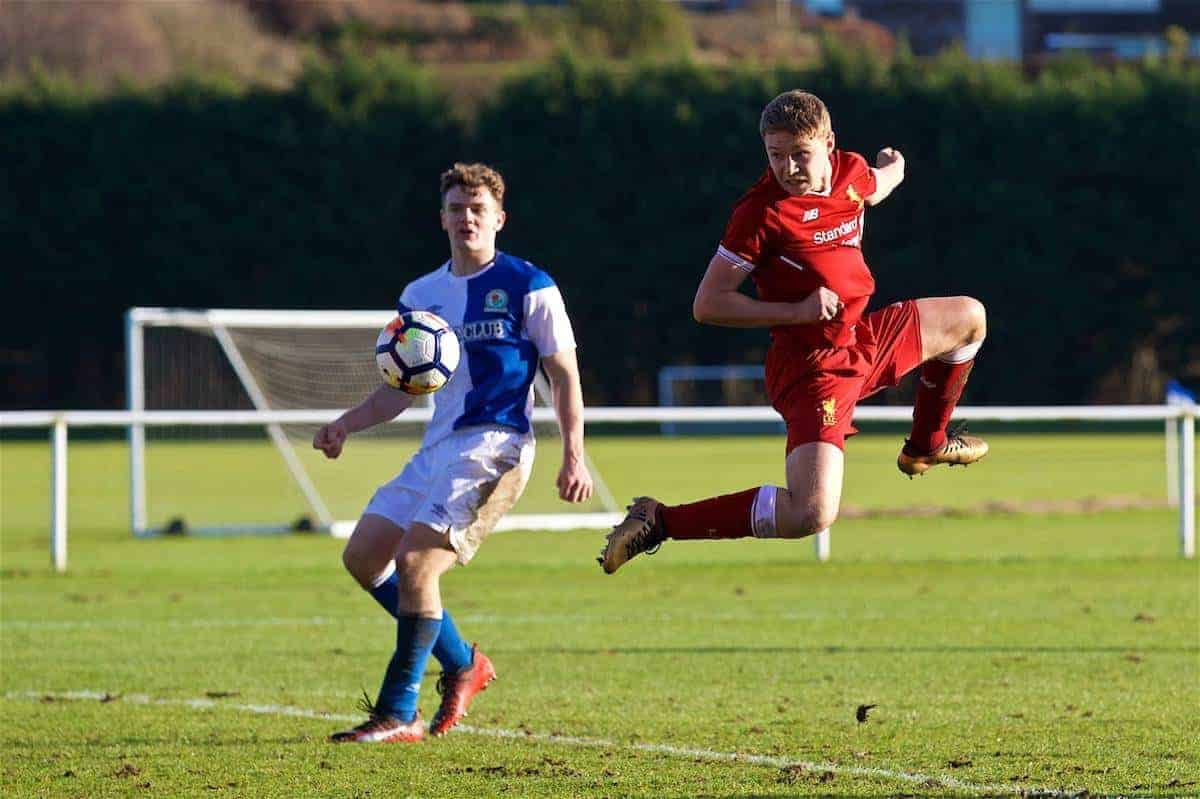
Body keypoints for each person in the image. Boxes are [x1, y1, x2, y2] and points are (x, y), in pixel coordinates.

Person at [598, 90, 988, 573]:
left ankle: (926, 443)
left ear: (828, 144)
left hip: (861, 339)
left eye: (799, 154)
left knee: (969, 317)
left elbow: (875, 185)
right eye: (775, 155)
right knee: (811, 512)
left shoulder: (849, 172)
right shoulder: (759, 214)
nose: (788, 167)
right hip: (812, 368)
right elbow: (708, 304)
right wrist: (799, 310)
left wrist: (896, 168)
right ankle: (659, 520)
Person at [314, 162, 594, 742]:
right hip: (437, 447)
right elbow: (403, 386)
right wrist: (346, 424)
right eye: (456, 208)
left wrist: (575, 455)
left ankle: (398, 710)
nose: (467, 217)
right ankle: (465, 662)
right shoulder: (421, 295)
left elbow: (564, 375)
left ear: (499, 218)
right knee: (365, 558)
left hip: (496, 447)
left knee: (418, 564)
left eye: (478, 209)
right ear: (441, 217)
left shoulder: (530, 285)